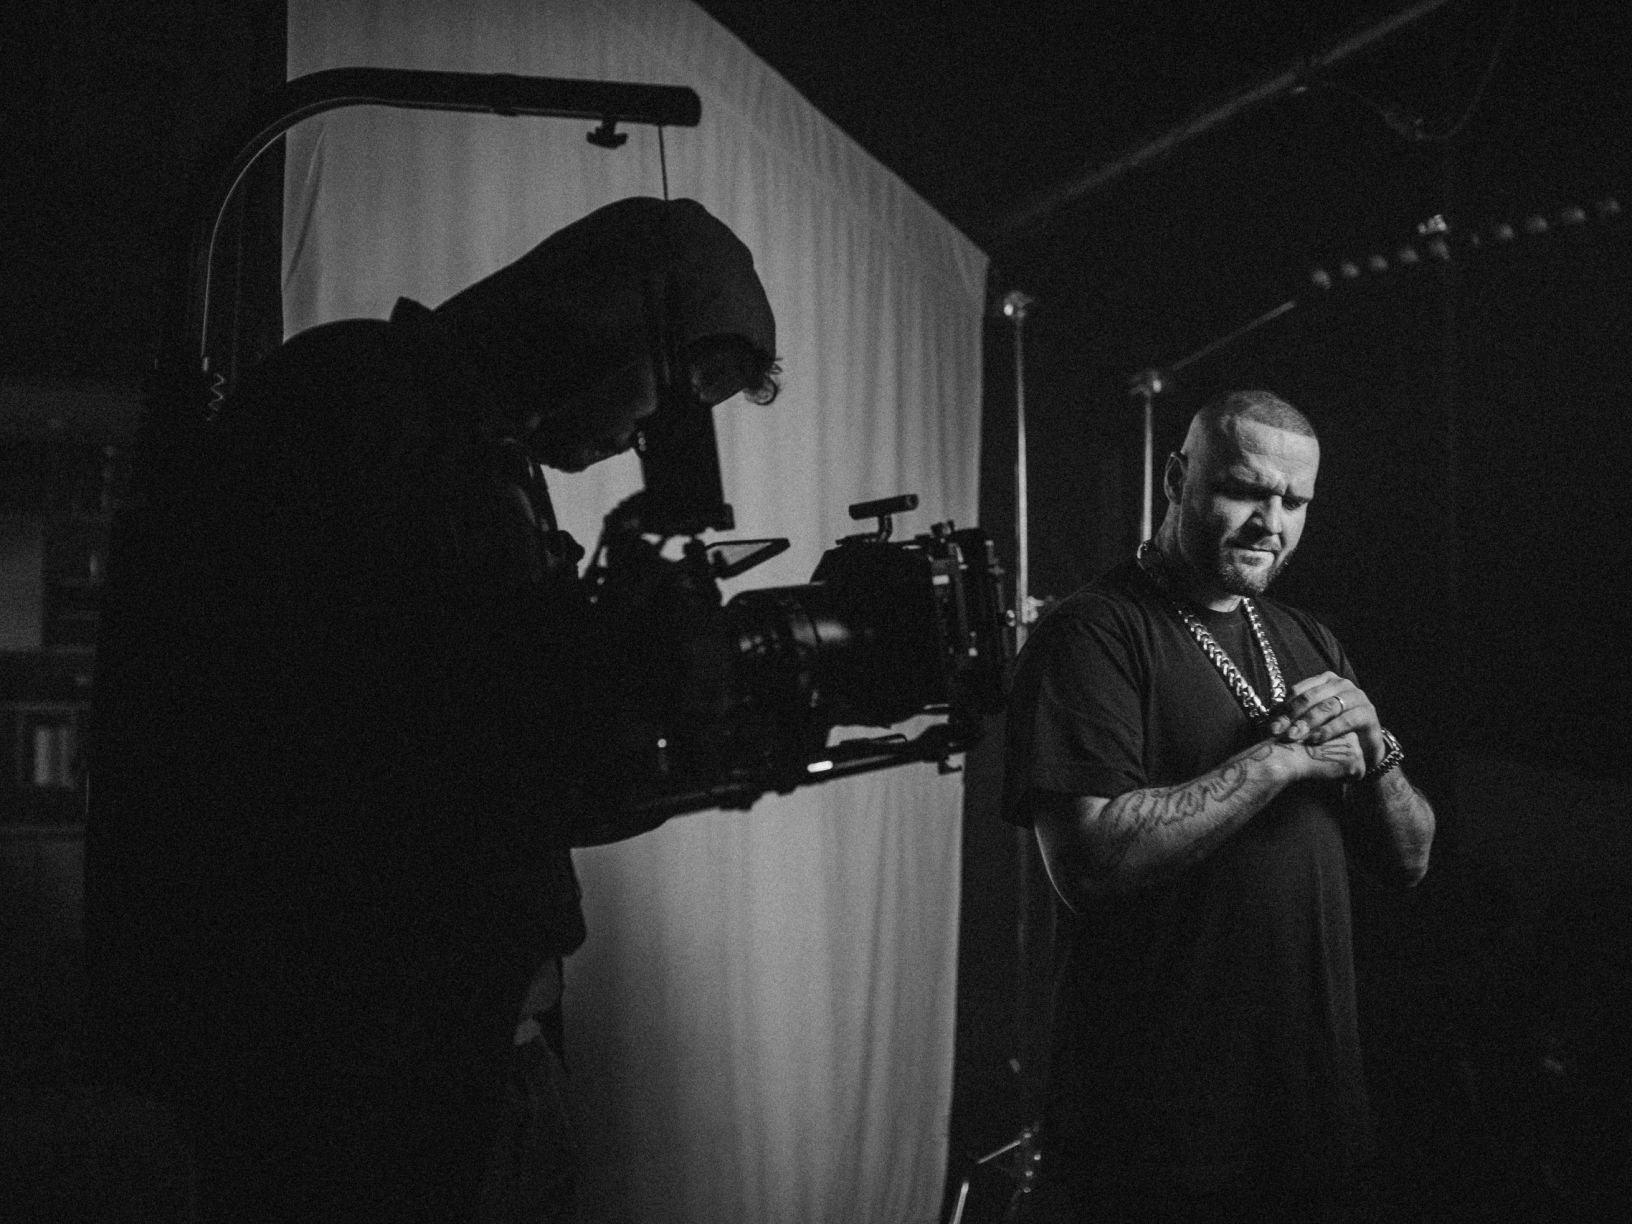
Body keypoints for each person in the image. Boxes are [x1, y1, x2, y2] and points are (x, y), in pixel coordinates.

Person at [82, 196, 778, 1222]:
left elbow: (496, 751)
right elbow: (368, 750)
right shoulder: (357, 405)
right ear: (602, 318)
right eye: (663, 397)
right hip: (354, 1084)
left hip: (465, 1061)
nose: (644, 438)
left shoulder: (475, 449)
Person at [1002, 389, 1435, 1223]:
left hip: (1311, 1111)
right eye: (1245, 490)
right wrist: (1274, 763)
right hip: (1158, 1129)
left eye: (1295, 502)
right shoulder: (1092, 633)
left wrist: (1378, 751)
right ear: (1177, 478)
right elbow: (1089, 863)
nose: (1271, 523)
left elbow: (1411, 861)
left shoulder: (1309, 639)